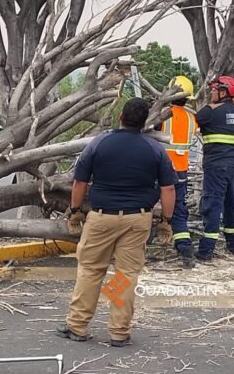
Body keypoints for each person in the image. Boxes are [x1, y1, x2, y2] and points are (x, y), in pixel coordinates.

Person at [59, 98, 176, 347]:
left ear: (121, 117)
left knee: (91, 270)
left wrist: (76, 211)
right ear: (144, 122)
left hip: (102, 217)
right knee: (125, 275)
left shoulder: (100, 143)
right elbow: (168, 189)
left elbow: (80, 183)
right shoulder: (155, 149)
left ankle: (77, 326)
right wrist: (166, 221)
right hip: (137, 218)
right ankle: (119, 332)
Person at [195, 75, 234, 261]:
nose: (211, 92)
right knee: (231, 203)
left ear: (223, 92)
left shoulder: (210, 111)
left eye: (214, 90)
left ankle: (206, 250)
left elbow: (196, 120)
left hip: (217, 166)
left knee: (212, 204)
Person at [155, 76, 199, 268]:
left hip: (159, 170)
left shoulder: (163, 115)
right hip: (180, 171)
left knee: (145, 207)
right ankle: (185, 250)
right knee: (179, 211)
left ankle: (139, 246)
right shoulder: (192, 118)